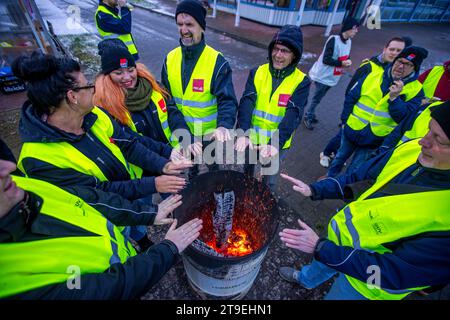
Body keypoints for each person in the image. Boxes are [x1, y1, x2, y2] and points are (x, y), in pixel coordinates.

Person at [278, 101, 450, 300]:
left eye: (438, 139)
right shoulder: (412, 149)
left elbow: (392, 273)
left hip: (366, 285)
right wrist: (315, 190)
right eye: (429, 130)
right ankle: (306, 280)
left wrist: (321, 248)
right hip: (337, 241)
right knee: (320, 264)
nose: (423, 141)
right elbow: (360, 179)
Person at [0, 159, 203, 299]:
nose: (9, 167)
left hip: (125, 255)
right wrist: (168, 249)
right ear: (72, 96)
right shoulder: (13, 282)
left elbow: (92, 199)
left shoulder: (22, 187)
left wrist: (147, 213)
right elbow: (111, 287)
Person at [13, 52, 190, 206]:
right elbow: (98, 193)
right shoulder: (39, 161)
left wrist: (163, 164)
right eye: (88, 85)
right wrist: (152, 185)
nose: (93, 90)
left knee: (139, 230)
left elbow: (129, 143)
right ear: (72, 96)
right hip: (104, 221)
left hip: (130, 193)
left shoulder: (94, 115)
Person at [161, 0, 238, 179]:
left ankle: (218, 194)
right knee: (191, 173)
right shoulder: (170, 59)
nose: (184, 29)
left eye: (189, 24)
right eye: (180, 24)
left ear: (202, 27)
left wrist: (224, 125)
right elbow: (167, 101)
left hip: (208, 137)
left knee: (214, 172)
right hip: (181, 133)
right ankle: (193, 187)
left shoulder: (216, 62)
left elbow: (227, 100)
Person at [327, 46, 427, 177]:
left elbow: (404, 119)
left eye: (408, 65)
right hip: (351, 129)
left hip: (375, 139)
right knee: (339, 158)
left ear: (415, 69)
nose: (401, 66)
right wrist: (345, 120)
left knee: (356, 168)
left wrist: (395, 98)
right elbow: (351, 97)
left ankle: (345, 189)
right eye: (400, 61)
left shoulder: (417, 91)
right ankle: (329, 179)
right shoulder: (374, 75)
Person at [235, 25, 310, 192]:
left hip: (277, 143)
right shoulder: (258, 72)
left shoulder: (301, 81)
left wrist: (275, 143)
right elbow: (246, 103)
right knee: (246, 173)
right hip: (251, 139)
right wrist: (243, 133)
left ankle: (267, 206)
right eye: (275, 49)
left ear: (294, 55)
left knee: (270, 181)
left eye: (285, 51)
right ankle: (247, 196)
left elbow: (294, 115)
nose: (278, 55)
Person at [93, 41, 202, 156]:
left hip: (170, 156)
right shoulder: (105, 105)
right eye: (118, 73)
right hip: (143, 166)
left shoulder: (154, 87)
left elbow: (173, 114)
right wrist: (166, 153)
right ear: (108, 75)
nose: (127, 77)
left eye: (131, 70)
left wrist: (186, 139)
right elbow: (130, 139)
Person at [319, 37, 407, 168]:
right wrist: (346, 117)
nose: (394, 53)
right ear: (385, 49)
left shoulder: (400, 74)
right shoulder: (369, 66)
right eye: (392, 49)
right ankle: (326, 153)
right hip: (355, 117)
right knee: (341, 136)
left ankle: (337, 155)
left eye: (399, 51)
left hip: (372, 127)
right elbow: (351, 90)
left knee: (346, 145)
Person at [303, 17, 359, 130]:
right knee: (316, 98)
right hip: (322, 76)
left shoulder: (349, 42)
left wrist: (348, 61)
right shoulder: (334, 40)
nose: (356, 31)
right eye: (354, 28)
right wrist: (342, 63)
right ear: (347, 28)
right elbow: (326, 59)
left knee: (320, 97)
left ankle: (311, 113)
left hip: (333, 77)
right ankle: (307, 116)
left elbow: (345, 55)